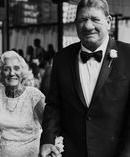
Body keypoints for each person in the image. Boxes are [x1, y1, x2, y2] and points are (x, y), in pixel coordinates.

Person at [40, 0, 130, 157]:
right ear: (75, 24)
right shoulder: (62, 57)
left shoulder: (128, 56)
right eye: (82, 20)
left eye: (95, 19)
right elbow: (54, 105)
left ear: (108, 22)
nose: (88, 26)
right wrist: (48, 139)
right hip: (71, 152)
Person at [0, 50, 46, 157]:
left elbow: (48, 127)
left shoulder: (33, 95)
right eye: (6, 69)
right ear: (1, 73)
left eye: (16, 68)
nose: (12, 73)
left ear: (23, 71)